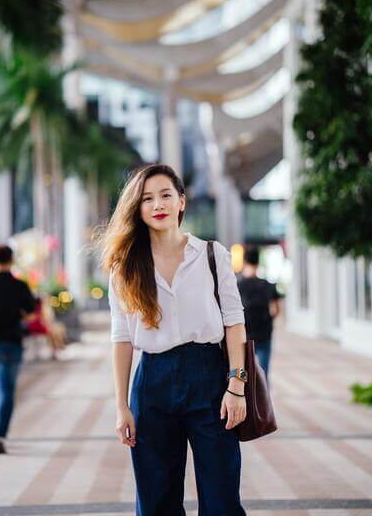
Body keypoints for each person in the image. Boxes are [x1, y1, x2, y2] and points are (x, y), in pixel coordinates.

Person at [102, 163, 248, 516]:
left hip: (210, 378)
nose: (158, 204)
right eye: (147, 199)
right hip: (152, 382)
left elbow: (234, 323)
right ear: (137, 208)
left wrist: (236, 386)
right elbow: (122, 338)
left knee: (222, 498)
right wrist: (122, 406)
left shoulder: (213, 255)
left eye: (165, 195)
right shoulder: (125, 268)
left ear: (181, 201)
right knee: (156, 500)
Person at [0, 244, 36, 454]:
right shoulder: (19, 286)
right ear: (11, 260)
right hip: (12, 343)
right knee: (7, 389)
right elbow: (31, 313)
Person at [237, 245, 282, 384]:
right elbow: (276, 310)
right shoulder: (268, 285)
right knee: (263, 376)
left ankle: (244, 396)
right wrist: (268, 319)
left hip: (243, 337)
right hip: (264, 334)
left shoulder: (237, 286)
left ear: (244, 261)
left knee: (242, 376)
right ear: (258, 262)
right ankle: (263, 398)